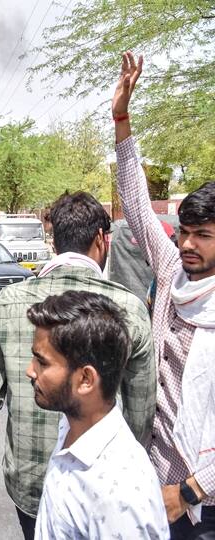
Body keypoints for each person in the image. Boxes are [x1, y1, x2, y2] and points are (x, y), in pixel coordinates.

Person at [0, 191, 157, 538]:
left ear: (53, 238)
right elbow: (141, 411)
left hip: (28, 483)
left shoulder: (7, 303)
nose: (33, 371)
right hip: (103, 493)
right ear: (100, 239)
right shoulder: (129, 308)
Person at [114, 51, 215, 538]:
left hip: (200, 501)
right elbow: (135, 201)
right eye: (185, 232)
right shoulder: (173, 267)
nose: (188, 244)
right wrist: (121, 118)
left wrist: (192, 490)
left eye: (203, 235)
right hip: (150, 477)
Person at [26, 291, 169, 539]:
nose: (30, 371)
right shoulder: (72, 424)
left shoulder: (119, 496)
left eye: (42, 362)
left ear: (85, 380)